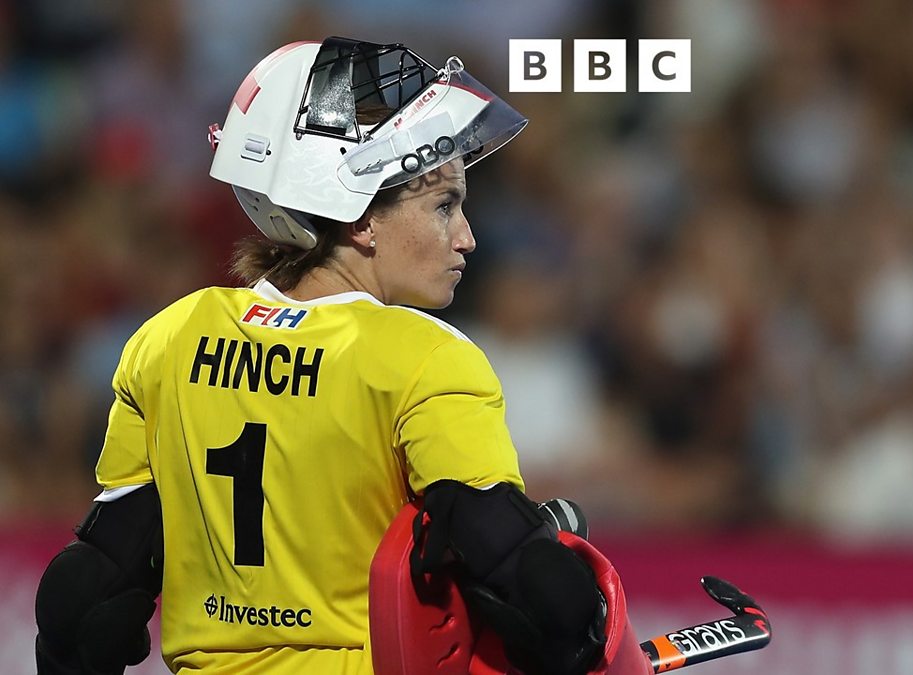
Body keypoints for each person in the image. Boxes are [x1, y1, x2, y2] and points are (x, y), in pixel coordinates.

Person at [34, 36, 644, 675]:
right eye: (444, 205)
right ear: (360, 219)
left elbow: (86, 600)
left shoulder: (168, 337)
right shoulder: (424, 358)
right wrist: (575, 603)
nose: (467, 237)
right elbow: (539, 597)